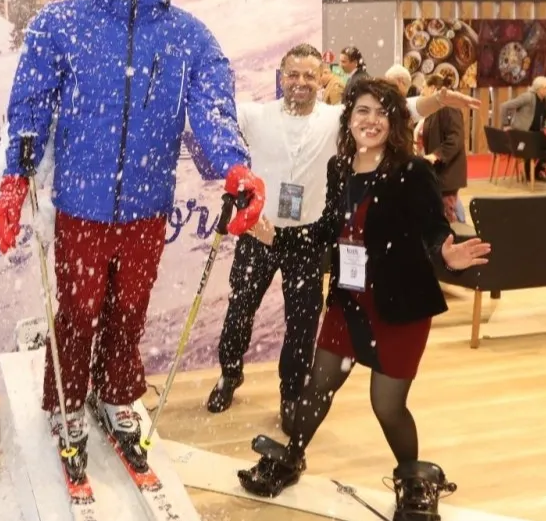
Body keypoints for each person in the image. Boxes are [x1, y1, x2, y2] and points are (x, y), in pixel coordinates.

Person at [0, 0, 267, 480]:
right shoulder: (61, 24)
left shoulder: (189, 37)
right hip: (82, 204)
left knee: (129, 309)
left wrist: (234, 165)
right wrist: (16, 177)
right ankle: (67, 401)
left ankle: (117, 393)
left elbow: (212, 111)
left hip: (146, 204)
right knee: (78, 310)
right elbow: (31, 105)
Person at [237, 78, 491, 520]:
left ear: (394, 121)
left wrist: (446, 254)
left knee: (386, 405)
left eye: (381, 112)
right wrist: (277, 236)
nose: (371, 121)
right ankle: (292, 457)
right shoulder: (340, 168)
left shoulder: (413, 172)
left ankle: (414, 480)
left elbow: (434, 230)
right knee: (318, 386)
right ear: (349, 119)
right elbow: (326, 230)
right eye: (362, 111)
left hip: (401, 304)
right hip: (350, 300)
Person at [207, 50, 483, 434]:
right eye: (293, 74)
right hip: (260, 234)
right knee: (239, 310)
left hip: (307, 239)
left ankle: (291, 394)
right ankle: (229, 373)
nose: (300, 82)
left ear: (321, 78)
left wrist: (438, 100)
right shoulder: (255, 115)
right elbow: (211, 114)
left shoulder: (336, 118)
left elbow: (397, 109)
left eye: (309, 75)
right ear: (281, 76)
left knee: (302, 323)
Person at [415, 74, 467, 221]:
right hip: (438, 172)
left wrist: (436, 155)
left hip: (447, 172)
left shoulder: (449, 106)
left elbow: (455, 138)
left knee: (449, 216)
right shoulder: (434, 109)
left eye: (423, 87)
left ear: (432, 88)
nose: (421, 92)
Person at [500, 75, 546, 181]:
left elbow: (543, 116)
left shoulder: (545, 99)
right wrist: (506, 124)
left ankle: (537, 171)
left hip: (536, 133)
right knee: (534, 146)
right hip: (523, 133)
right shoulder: (528, 97)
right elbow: (505, 106)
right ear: (539, 88)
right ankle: (529, 174)